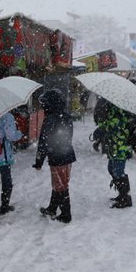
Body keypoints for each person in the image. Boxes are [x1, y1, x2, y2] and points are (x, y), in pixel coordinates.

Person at [34, 89, 77, 223]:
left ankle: (65, 215)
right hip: (67, 155)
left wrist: (39, 161)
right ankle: (52, 209)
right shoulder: (67, 117)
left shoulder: (50, 119)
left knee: (61, 186)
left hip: (57, 157)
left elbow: (43, 142)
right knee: (59, 183)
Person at [97, 101, 133, 209]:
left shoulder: (120, 111)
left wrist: (101, 125)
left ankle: (125, 198)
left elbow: (113, 126)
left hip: (120, 147)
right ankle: (122, 194)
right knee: (112, 169)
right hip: (114, 146)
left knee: (118, 171)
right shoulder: (114, 108)